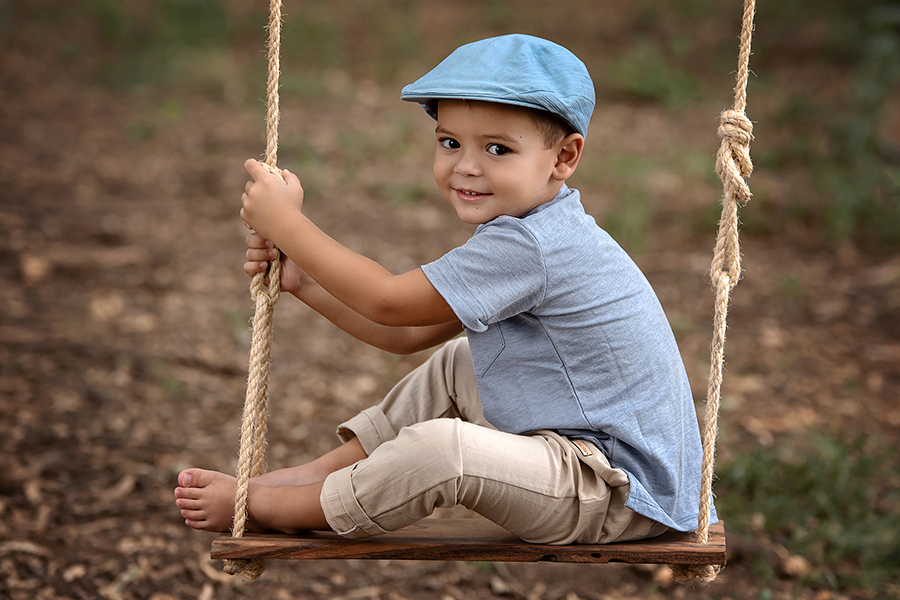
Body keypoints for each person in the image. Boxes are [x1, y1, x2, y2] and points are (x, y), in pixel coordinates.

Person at [174, 34, 714, 544]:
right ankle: (309, 478)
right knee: (460, 363)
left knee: (445, 452)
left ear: (564, 158)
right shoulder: (529, 232)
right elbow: (407, 331)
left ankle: (277, 508)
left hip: (617, 493)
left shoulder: (533, 245)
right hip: (577, 456)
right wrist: (305, 283)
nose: (467, 166)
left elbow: (388, 300)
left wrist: (288, 223)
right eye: (450, 142)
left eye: (498, 149)